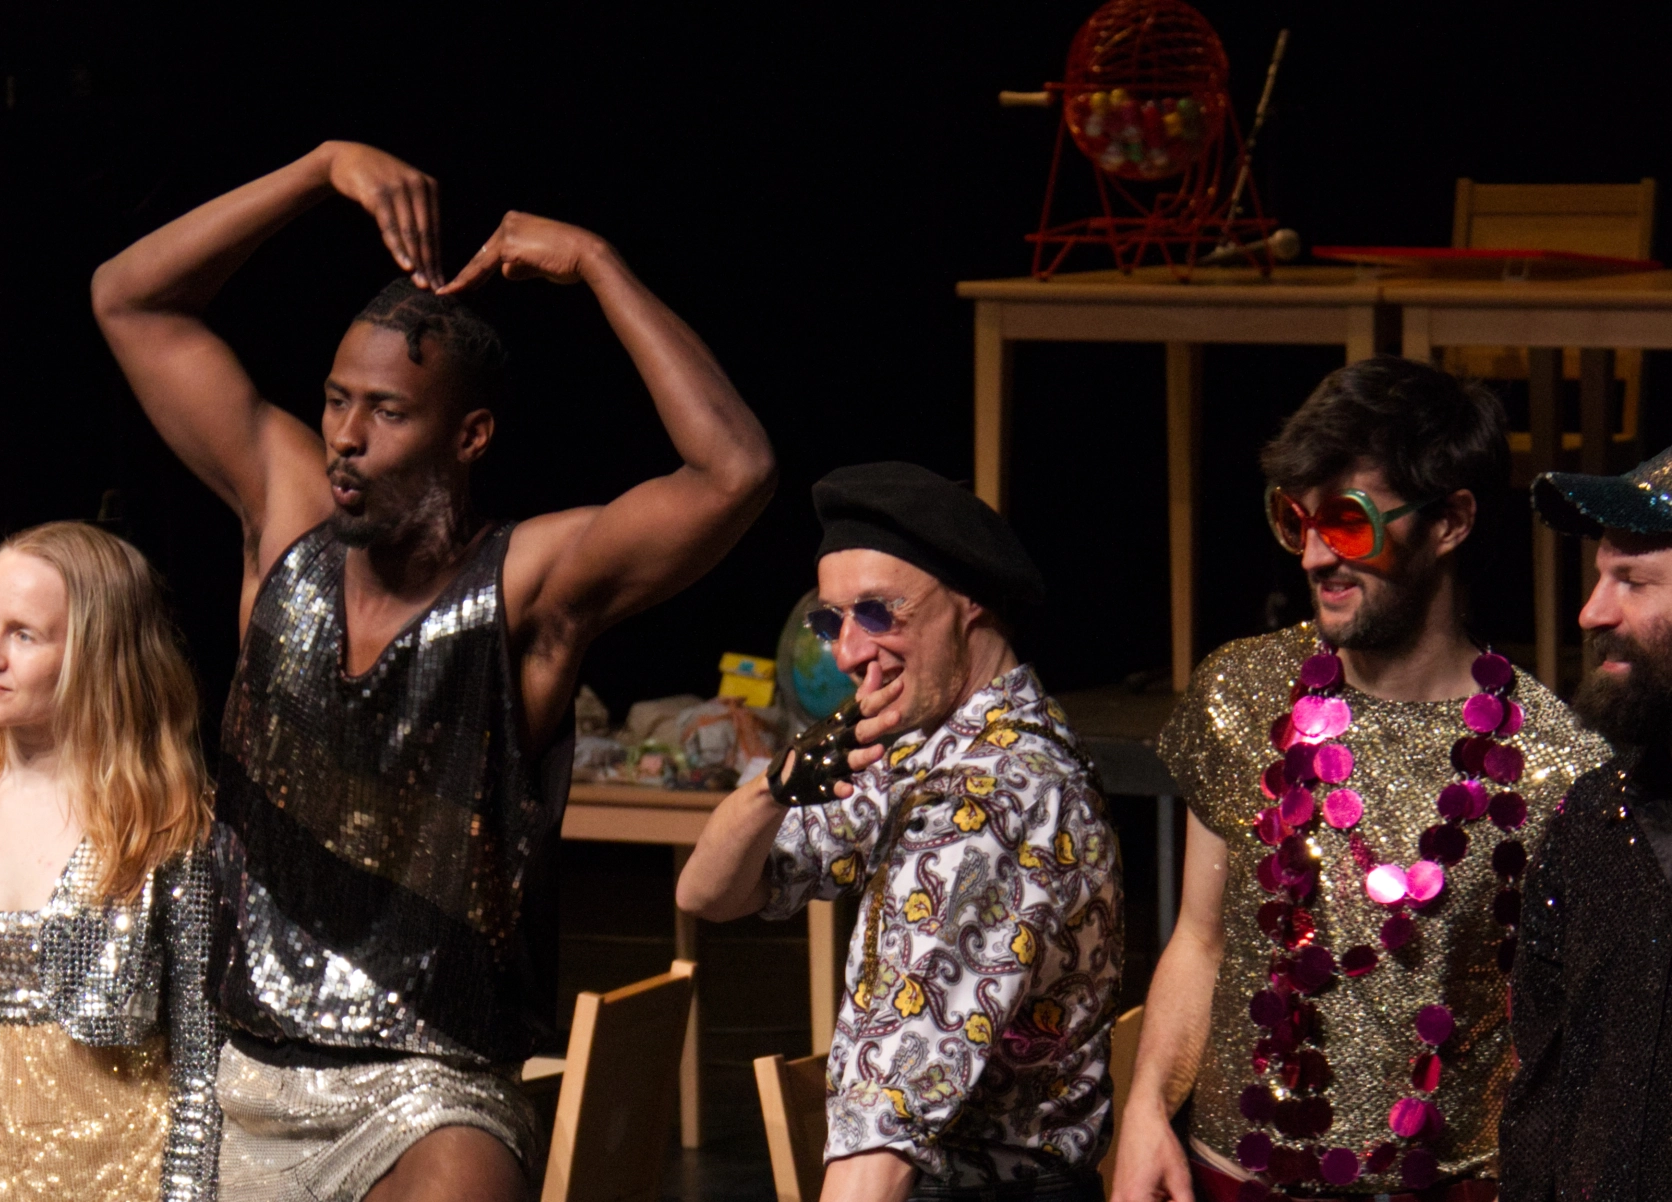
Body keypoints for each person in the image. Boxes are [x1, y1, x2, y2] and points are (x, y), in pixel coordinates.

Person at [90, 139, 774, 1201]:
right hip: (243, 1075)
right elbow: (127, 298)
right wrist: (318, 170)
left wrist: (598, 263)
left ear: (471, 435)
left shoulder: (525, 587)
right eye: (335, 401)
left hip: (429, 1091)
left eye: (388, 411)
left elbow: (734, 470)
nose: (345, 436)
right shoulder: (287, 520)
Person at [1111, 358, 1607, 1202]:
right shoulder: (1243, 693)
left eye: (1347, 523)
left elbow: (1568, 1038)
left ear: (1450, 522)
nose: (1313, 557)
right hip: (1234, 1179)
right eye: (1295, 520)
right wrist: (1148, 1109)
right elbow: (1200, 938)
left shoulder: (1557, 764)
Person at [677, 462, 1122, 1202]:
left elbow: (882, 1142)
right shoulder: (941, 751)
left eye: (879, 613)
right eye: (833, 622)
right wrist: (777, 787)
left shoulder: (981, 803)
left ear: (970, 600)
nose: (847, 653)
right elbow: (708, 893)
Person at [0, 522, 219, 1202]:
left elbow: (201, 1065)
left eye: (24, 634)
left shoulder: (163, 827)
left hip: (123, 1176)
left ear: (95, 655)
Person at [1496, 446, 1672, 1200]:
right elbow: (1541, 1105)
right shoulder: (1593, 822)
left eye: (1631, 580)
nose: (1592, 611)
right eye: (1601, 576)